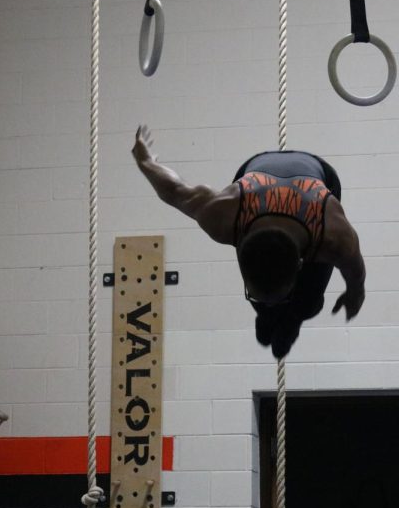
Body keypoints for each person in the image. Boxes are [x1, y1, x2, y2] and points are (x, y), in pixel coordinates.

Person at [130, 125, 365, 359]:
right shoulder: (223, 214)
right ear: (240, 248)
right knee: (266, 304)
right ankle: (266, 315)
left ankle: (291, 321)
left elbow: (355, 273)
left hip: (320, 179)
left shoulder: (333, 236)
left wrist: (355, 292)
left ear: (301, 263)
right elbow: (175, 190)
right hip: (252, 182)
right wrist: (146, 162)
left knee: (308, 304)